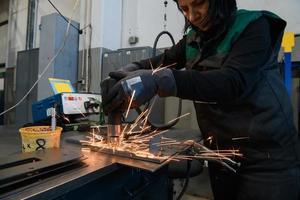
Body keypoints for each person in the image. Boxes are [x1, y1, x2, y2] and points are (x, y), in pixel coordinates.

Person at [101, 0, 300, 199]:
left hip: (267, 160)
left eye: (198, 4)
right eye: (184, 8)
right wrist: (129, 70)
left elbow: (232, 82)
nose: (192, 16)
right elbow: (164, 60)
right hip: (222, 156)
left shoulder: (254, 26)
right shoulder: (193, 38)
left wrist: (159, 81)